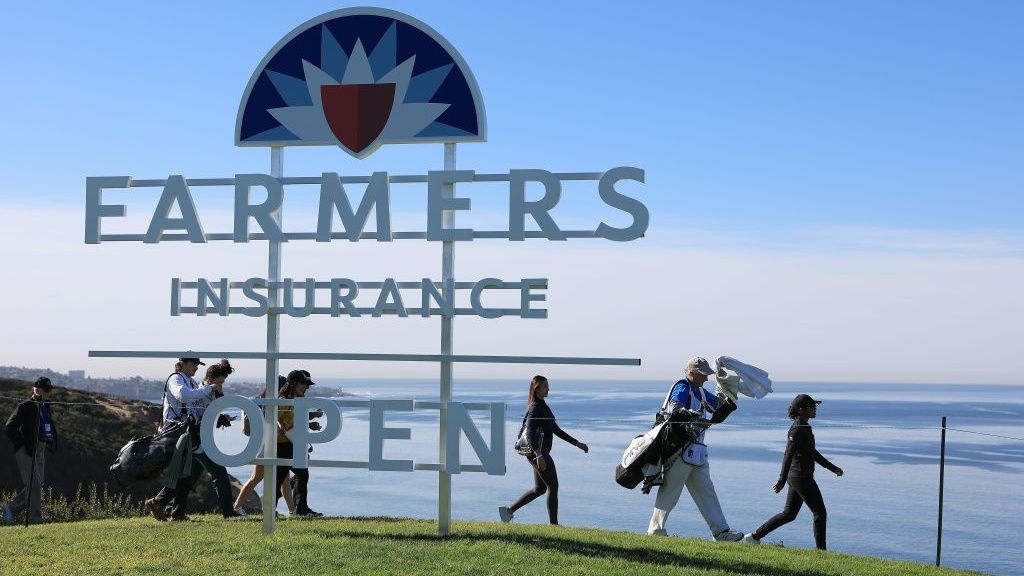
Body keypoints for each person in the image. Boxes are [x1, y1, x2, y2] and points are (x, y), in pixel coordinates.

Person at [647, 357, 744, 541]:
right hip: (680, 451)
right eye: (703, 375)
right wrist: (693, 417)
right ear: (691, 373)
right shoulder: (682, 386)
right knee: (670, 492)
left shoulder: (699, 390)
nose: (706, 378)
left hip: (696, 453)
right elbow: (675, 407)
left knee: (706, 492)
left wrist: (726, 385)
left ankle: (721, 532)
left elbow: (719, 407)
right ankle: (655, 530)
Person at [743, 394, 844, 549]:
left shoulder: (804, 427)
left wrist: (832, 468)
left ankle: (754, 536)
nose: (815, 409)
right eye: (812, 406)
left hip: (799, 477)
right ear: (801, 409)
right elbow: (788, 455)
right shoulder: (797, 430)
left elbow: (812, 452)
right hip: (801, 477)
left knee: (789, 514)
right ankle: (822, 552)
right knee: (820, 513)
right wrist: (781, 480)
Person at [498, 375, 589, 525]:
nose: (548, 388)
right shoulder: (535, 407)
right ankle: (554, 525)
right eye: (545, 386)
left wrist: (577, 443)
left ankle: (508, 511)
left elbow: (555, 429)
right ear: (537, 388)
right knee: (553, 487)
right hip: (538, 453)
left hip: (538, 453)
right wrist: (539, 454)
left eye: (548, 385)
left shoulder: (542, 405)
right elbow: (530, 432)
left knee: (540, 489)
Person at [144, 356, 220, 521]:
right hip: (175, 433)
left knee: (185, 473)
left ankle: (174, 511)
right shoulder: (176, 379)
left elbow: (194, 409)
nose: (196, 368)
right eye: (193, 364)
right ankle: (160, 503)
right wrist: (207, 389)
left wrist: (217, 414)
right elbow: (182, 396)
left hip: (184, 433)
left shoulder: (190, 382)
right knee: (184, 473)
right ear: (183, 364)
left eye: (197, 365)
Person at [165, 359, 242, 519]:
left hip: (200, 438)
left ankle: (168, 507)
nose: (221, 385)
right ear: (211, 379)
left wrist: (221, 417)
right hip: (198, 439)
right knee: (220, 474)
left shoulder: (212, 392)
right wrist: (217, 417)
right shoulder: (199, 391)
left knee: (191, 477)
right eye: (220, 382)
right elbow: (197, 414)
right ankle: (229, 512)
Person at [3, 377, 58, 524]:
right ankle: (35, 519)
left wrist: (50, 440)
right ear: (37, 390)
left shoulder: (46, 405)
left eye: (49, 390)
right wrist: (22, 443)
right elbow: (9, 427)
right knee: (33, 485)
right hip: (26, 450)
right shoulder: (25, 406)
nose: (48, 393)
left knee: (37, 485)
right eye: (46, 391)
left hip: (41, 448)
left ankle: (11, 508)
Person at [232, 388, 295, 515]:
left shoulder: (264, 402)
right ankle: (237, 506)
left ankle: (292, 511)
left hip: (271, 444)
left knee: (285, 479)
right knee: (257, 477)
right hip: (268, 445)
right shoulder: (275, 404)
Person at [275, 369, 324, 517]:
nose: (307, 387)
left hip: (290, 443)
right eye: (304, 384)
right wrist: (309, 420)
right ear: (294, 384)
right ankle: (299, 509)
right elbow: (285, 424)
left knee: (294, 476)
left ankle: (295, 509)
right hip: (284, 444)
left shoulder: (294, 400)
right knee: (296, 475)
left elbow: (293, 421)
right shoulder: (283, 401)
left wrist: (310, 422)